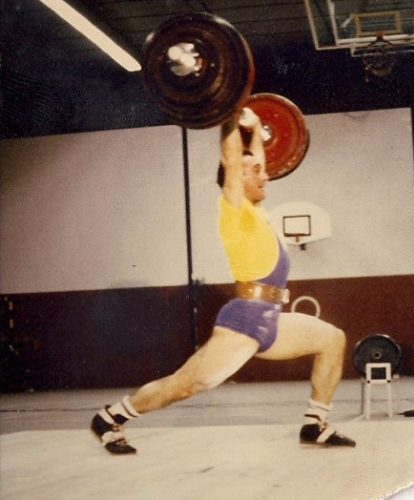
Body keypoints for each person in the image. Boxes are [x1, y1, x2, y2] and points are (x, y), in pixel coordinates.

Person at [90, 108, 355, 454]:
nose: (265, 175)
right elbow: (232, 160)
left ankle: (315, 424)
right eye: (255, 171)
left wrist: (256, 130)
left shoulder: (257, 212)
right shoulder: (235, 212)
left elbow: (251, 160)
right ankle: (111, 418)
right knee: (184, 386)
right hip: (246, 321)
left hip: (270, 318)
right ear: (235, 179)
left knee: (332, 339)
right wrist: (228, 112)